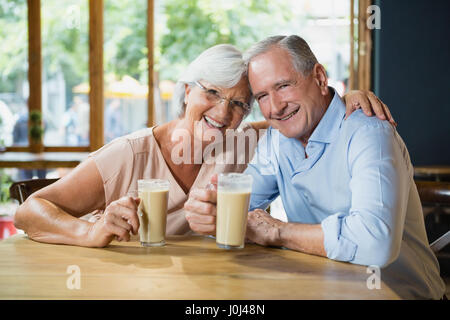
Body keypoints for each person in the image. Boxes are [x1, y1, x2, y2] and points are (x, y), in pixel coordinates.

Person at [14, 43, 391, 249]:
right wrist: (88, 232)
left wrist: (342, 99)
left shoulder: (247, 144)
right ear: (187, 91)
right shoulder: (129, 154)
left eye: (240, 103)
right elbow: (30, 212)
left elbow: (294, 117)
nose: (223, 112)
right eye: (211, 92)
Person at [185, 36, 446, 299]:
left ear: (320, 77)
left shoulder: (369, 131)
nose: (275, 107)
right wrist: (211, 210)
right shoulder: (277, 141)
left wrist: (278, 231)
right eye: (262, 96)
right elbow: (239, 207)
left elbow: (375, 243)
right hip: (322, 291)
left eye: (284, 86)